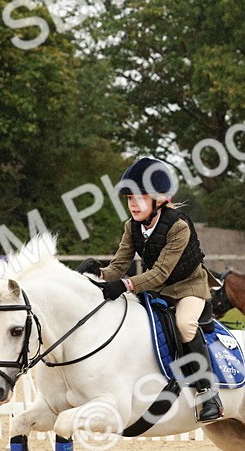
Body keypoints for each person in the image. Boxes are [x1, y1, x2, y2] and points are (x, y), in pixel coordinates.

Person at [96, 157, 223, 423]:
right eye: (129, 198)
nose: (133, 204)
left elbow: (160, 273)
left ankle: (208, 393)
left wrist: (126, 284)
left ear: (159, 200)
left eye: (140, 197)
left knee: (185, 324)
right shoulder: (131, 226)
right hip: (158, 289)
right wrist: (97, 274)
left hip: (189, 287)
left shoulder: (178, 226)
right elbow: (118, 266)